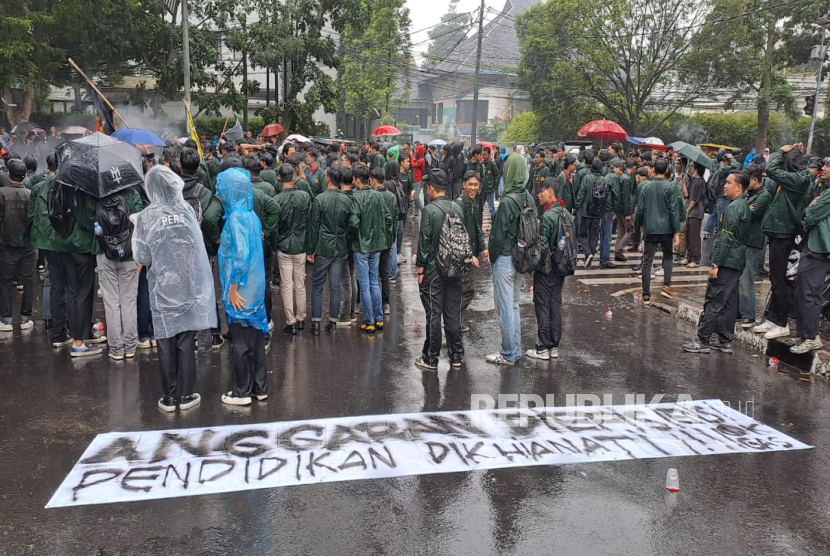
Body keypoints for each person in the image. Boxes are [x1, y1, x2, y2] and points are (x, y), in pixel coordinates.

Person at [132, 166, 216, 412]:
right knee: (186, 338)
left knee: (166, 339)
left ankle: (169, 397)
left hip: (161, 285)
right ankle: (187, 394)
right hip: (187, 282)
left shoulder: (146, 216)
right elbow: (197, 246)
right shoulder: (186, 210)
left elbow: (141, 255)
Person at [214, 168, 269, 406]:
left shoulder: (236, 218)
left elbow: (242, 255)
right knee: (256, 341)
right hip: (256, 288)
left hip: (242, 290)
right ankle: (259, 387)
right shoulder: (251, 216)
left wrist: (233, 288)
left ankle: (241, 392)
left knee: (240, 344)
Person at [682, 172, 750, 354]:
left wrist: (715, 263)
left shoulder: (734, 208)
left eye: (729, 183)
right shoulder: (741, 205)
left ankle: (703, 339)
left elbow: (725, 238)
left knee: (714, 299)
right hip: (736, 261)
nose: (724, 186)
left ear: (739, 187)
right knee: (729, 302)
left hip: (727, 261)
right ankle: (725, 340)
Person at [754, 144, 812, 340]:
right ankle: (773, 317)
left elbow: (769, 169)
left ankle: (782, 322)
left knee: (779, 280)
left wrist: (780, 151)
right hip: (779, 230)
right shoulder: (796, 178)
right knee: (775, 278)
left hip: (784, 232)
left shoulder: (799, 179)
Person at [414, 168, 469, 370]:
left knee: (434, 314)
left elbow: (424, 244)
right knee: (453, 314)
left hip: (433, 270)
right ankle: (457, 356)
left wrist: (420, 269)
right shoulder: (458, 208)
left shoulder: (430, 210)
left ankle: (431, 358)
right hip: (455, 269)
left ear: (431, 188)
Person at [486, 153, 528, 365]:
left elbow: (497, 236)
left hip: (504, 258)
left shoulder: (507, 202)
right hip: (521, 258)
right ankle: (516, 350)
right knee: (513, 305)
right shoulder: (528, 197)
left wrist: (491, 257)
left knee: (506, 308)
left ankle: (508, 353)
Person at [95, 184, 143, 360]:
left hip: (104, 253)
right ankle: (130, 346)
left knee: (111, 301)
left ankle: (116, 348)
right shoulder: (132, 194)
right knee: (129, 301)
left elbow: (87, 222)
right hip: (129, 254)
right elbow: (140, 222)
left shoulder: (97, 195)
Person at [527, 178, 570, 360]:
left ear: (550, 192)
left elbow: (542, 246)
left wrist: (534, 265)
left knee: (543, 305)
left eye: (541, 191)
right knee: (555, 305)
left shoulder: (548, 216)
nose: (538, 195)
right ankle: (554, 346)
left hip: (546, 269)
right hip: (561, 267)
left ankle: (543, 346)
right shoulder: (565, 213)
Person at [306, 165, 351, 335]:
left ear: (328, 179)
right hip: (339, 246)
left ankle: (316, 323)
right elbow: (351, 224)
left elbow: (313, 226)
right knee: (335, 286)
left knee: (317, 285)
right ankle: (332, 322)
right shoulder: (347, 200)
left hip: (323, 246)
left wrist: (310, 250)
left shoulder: (319, 199)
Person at [350, 161, 392, 333]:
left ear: (356, 179)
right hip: (377, 244)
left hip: (362, 245)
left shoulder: (357, 198)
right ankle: (379, 319)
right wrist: (383, 236)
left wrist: (352, 239)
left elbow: (354, 223)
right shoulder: (379, 196)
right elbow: (388, 219)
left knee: (365, 284)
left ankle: (369, 321)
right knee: (375, 282)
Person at [273, 163, 312, 335]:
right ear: (294, 177)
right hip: (301, 245)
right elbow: (310, 221)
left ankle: (291, 321)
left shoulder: (276, 200)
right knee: (300, 283)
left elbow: (274, 226)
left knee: (287, 285)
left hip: (284, 246)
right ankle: (301, 317)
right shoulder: (304, 196)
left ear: (280, 178)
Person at [635, 158, 681, 304]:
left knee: (647, 261)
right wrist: (677, 232)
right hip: (666, 228)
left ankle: (646, 294)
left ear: (653, 169)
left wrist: (640, 225)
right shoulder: (671, 187)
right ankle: (666, 286)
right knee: (668, 257)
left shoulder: (645, 187)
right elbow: (674, 210)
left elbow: (640, 209)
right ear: (667, 170)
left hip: (650, 227)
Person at [0, 159, 36, 332]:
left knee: (5, 281)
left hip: (6, 243)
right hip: (28, 245)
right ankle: (25, 318)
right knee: (28, 280)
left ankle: (5, 320)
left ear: (8, 174)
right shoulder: (30, 194)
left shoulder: (1, 193)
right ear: (25, 175)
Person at [737, 164, 771, 328]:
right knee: (737, 276)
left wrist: (743, 209)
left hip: (753, 240)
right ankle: (738, 311)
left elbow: (748, 214)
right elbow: (738, 210)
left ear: (755, 180)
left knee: (746, 278)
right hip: (742, 239)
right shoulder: (748, 194)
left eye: (747, 180)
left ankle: (748, 315)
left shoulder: (764, 195)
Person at [456, 170, 488, 333]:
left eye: (476, 185)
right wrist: (469, 256)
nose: (473, 188)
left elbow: (476, 226)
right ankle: (452, 319)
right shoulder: (459, 205)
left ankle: (454, 319)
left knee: (463, 290)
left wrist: (483, 247)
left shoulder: (473, 203)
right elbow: (458, 235)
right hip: (462, 256)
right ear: (463, 185)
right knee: (466, 291)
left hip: (470, 253)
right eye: (470, 184)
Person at [372, 166, 397, 316]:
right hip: (387, 240)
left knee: (372, 273)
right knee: (384, 272)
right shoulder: (391, 197)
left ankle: (367, 302)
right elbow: (393, 219)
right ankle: (386, 303)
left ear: (374, 180)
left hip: (374, 240)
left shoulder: (372, 195)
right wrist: (392, 237)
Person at [575, 158, 605, 268]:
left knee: (582, 234)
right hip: (597, 212)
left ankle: (588, 254)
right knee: (594, 235)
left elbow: (581, 194)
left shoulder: (587, 178)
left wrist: (577, 207)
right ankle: (591, 253)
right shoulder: (603, 179)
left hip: (585, 211)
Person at [599, 160, 622, 269]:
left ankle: (602, 258)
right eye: (620, 169)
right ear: (616, 168)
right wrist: (616, 210)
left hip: (602, 207)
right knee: (607, 235)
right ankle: (606, 259)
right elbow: (617, 195)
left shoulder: (606, 176)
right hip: (608, 208)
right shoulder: (614, 178)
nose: (620, 172)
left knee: (603, 234)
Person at [683, 162, 707, 268]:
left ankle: (696, 259)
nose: (691, 168)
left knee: (694, 236)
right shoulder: (693, 181)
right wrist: (683, 181)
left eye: (692, 167)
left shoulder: (701, 182)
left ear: (697, 168)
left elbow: (694, 199)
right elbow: (687, 194)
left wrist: (687, 210)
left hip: (696, 212)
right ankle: (688, 257)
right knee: (688, 235)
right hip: (691, 212)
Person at [479, 146, 500, 221]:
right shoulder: (481, 164)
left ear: (489, 154)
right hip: (482, 189)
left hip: (490, 189)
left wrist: (495, 186)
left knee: (491, 208)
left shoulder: (492, 164)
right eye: (483, 155)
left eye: (485, 155)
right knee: (480, 207)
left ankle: (493, 223)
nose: (484, 156)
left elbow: (497, 175)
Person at [411, 145, 426, 215]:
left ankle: (423, 210)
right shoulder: (419, 158)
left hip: (418, 179)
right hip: (416, 178)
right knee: (415, 195)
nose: (416, 152)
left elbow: (413, 164)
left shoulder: (421, 160)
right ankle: (416, 212)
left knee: (416, 197)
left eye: (417, 151)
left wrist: (412, 157)